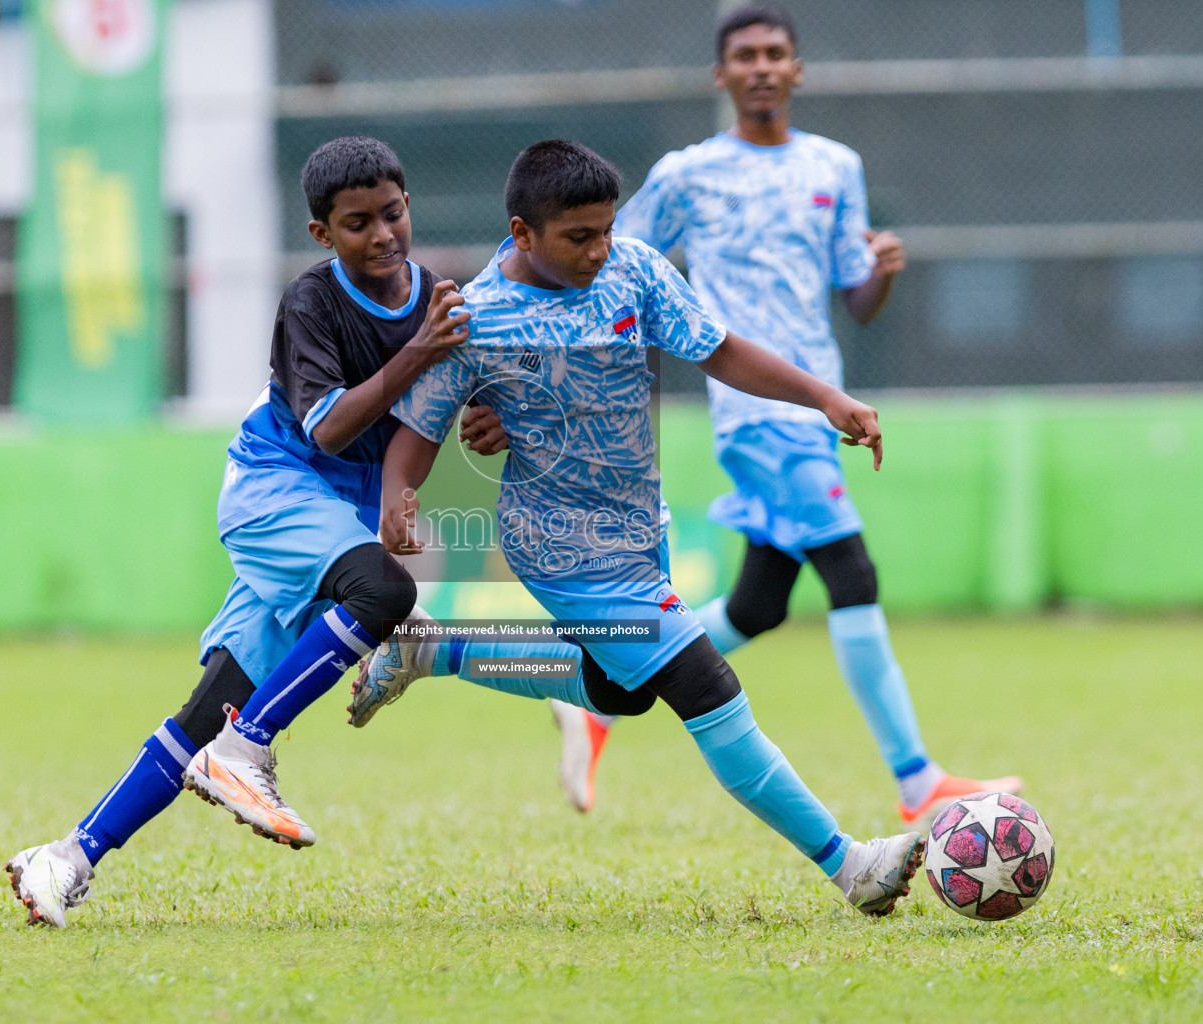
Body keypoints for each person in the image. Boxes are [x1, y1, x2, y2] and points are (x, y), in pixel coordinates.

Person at [357, 4, 1021, 826]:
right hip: (749, 419)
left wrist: (864, 306)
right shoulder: (682, 177)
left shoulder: (835, 167)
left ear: (799, 68)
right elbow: (566, 267)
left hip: (778, 408)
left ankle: (528, 680)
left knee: (748, 612)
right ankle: (910, 788)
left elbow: (854, 298)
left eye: (778, 52)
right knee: (849, 578)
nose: (763, 67)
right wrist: (501, 389)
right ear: (722, 74)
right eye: (745, 54)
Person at [373, 139, 923, 917]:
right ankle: (852, 865)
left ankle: (437, 647)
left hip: (639, 531)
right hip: (561, 549)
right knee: (706, 685)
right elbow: (417, 434)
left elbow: (720, 350)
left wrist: (823, 398)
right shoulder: (477, 318)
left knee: (617, 691)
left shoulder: (633, 268)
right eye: (579, 237)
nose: (600, 249)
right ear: (523, 233)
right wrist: (400, 493)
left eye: (605, 229)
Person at [4, 136, 508, 927]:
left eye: (392, 213)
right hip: (277, 489)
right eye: (356, 223)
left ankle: (64, 858)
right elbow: (334, 428)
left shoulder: (437, 301)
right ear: (322, 235)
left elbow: (437, 407)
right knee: (384, 592)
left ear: (409, 204)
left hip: (337, 516)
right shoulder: (313, 303)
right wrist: (419, 353)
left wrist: (484, 423)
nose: (381, 235)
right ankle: (248, 753)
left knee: (212, 708)